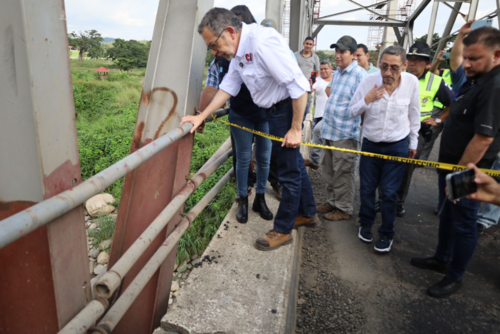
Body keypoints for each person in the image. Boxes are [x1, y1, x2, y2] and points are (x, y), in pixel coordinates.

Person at [182, 8, 318, 251]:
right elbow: (228, 86)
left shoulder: (262, 44)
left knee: (288, 171)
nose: (215, 52)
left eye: (214, 45)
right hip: (272, 111)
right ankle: (308, 213)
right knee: (294, 166)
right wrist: (201, 115)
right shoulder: (238, 52)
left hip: (287, 109)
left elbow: (299, 87)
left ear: (231, 32)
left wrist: (296, 128)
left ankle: (283, 229)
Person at [411, 27, 500, 298]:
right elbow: (456, 60)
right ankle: (442, 258)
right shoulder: (476, 79)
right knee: (447, 215)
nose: (467, 64)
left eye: (474, 58)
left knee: (464, 222)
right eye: (466, 57)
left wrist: (458, 177)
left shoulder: (494, 86)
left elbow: (483, 138)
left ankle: (454, 275)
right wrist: (460, 37)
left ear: (497, 55)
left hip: (468, 170)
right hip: (452, 166)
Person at [350, 45, 420, 253]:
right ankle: (365, 223)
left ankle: (387, 233)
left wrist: (413, 143)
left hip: (397, 145)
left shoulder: (411, 83)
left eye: (394, 68)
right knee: (367, 188)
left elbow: (414, 114)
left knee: (389, 192)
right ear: (379, 64)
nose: (388, 73)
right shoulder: (368, 82)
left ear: (405, 66)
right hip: (371, 145)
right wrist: (367, 99)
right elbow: (353, 111)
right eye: (384, 67)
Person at [382, 42, 454, 216]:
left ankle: (398, 202)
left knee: (406, 167)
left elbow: (454, 103)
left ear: (427, 64)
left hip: (418, 130)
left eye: (418, 60)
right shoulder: (398, 76)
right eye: (410, 59)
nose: (413, 63)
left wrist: (438, 119)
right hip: (395, 126)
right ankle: (382, 199)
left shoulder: (436, 81)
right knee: (385, 163)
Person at [316, 36, 367, 221]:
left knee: (343, 172)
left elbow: (364, 105)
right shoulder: (337, 73)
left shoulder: (360, 75)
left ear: (353, 54)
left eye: (342, 52)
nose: (338, 56)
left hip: (345, 133)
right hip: (330, 130)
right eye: (336, 51)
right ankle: (332, 202)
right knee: (329, 170)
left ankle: (344, 208)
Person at [304, 60, 333, 170]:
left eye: (326, 68)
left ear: (331, 69)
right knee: (317, 136)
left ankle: (328, 164)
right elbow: (310, 90)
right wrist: (309, 85)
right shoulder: (317, 80)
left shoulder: (336, 79)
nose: (324, 71)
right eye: (321, 69)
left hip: (333, 114)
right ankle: (315, 161)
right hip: (320, 115)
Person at [295, 37, 320, 113]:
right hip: (296, 85)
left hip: (308, 87)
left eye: (310, 44)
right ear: (303, 43)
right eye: (307, 43)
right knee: (295, 108)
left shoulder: (315, 57)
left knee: (306, 109)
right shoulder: (296, 55)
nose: (308, 46)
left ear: (313, 46)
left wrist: (314, 85)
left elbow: (318, 72)